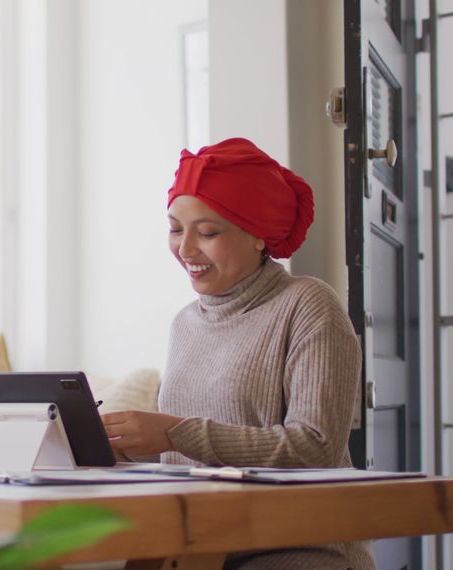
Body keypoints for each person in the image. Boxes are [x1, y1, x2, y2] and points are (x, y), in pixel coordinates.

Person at [101, 137, 374, 569]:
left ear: (257, 237)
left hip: (298, 548)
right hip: (198, 541)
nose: (186, 249)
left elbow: (316, 447)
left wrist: (174, 432)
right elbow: (188, 454)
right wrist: (120, 444)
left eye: (207, 232)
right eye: (175, 229)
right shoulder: (185, 322)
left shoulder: (308, 304)